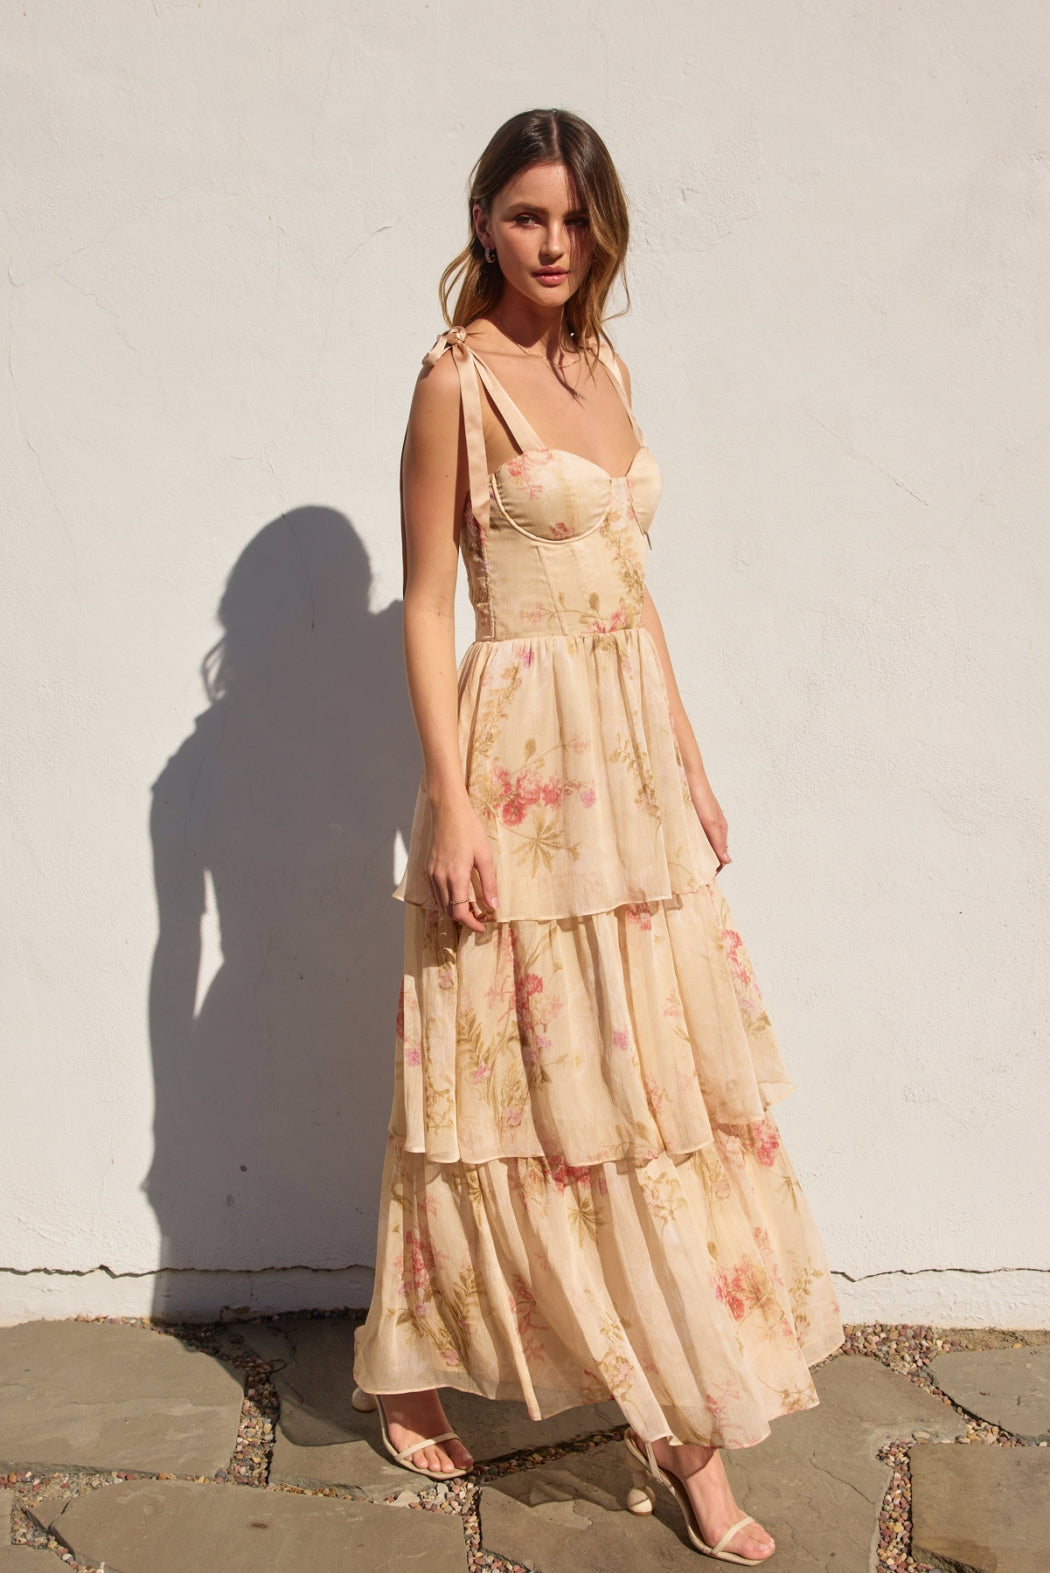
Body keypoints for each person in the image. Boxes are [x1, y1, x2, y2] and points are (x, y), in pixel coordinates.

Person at [352, 108, 844, 1564]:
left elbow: (633, 590)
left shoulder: (603, 363)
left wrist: (688, 763)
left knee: (643, 1094)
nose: (551, 245)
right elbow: (430, 608)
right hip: (516, 773)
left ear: (602, 225)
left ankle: (526, 1365)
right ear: (483, 222)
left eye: (571, 219)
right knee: (516, 1096)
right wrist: (447, 804)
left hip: (625, 772)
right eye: (523, 217)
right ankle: (680, 1454)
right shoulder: (456, 383)